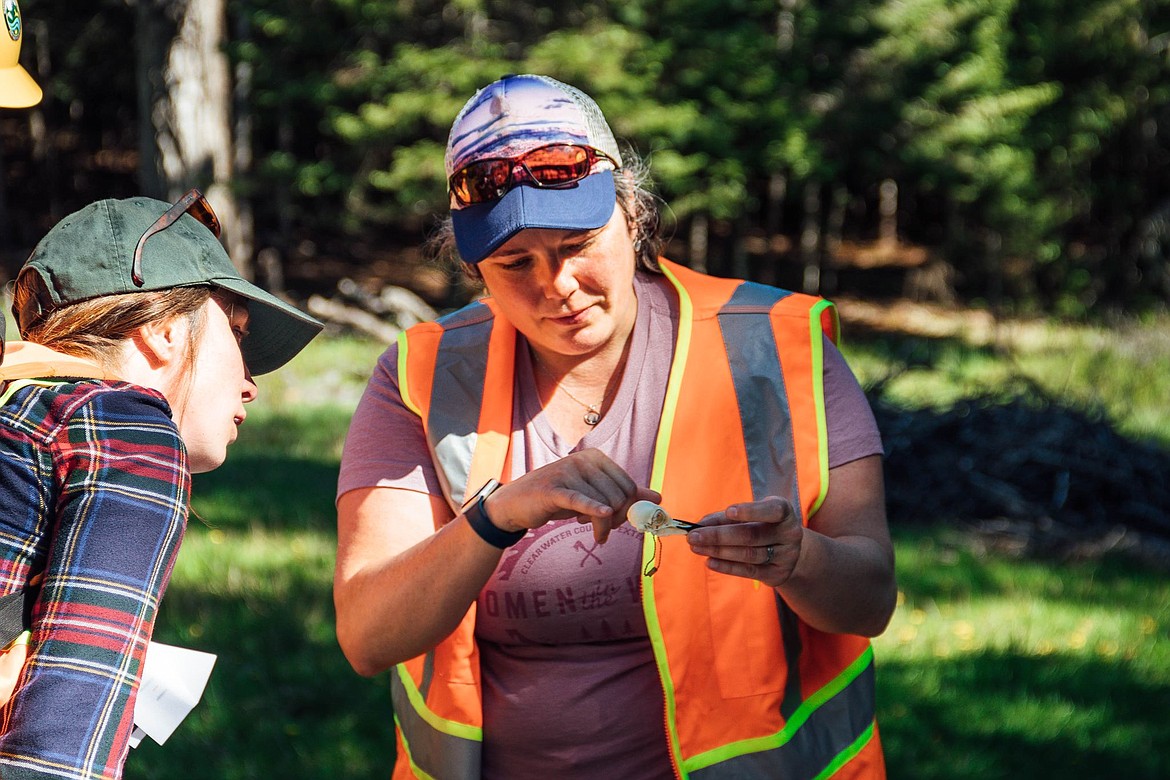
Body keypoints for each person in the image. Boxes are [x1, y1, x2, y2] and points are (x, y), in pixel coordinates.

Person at [335, 74, 896, 779]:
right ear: (473, 265)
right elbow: (366, 635)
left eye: (577, 244)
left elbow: (870, 599)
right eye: (515, 263)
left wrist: (798, 559)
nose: (556, 284)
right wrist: (498, 515)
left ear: (632, 217)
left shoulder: (778, 349)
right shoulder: (421, 375)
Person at [0, 190, 323, 778]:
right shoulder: (127, 427)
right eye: (238, 334)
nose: (251, 383)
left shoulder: (18, 411)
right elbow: (65, 730)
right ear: (165, 332)